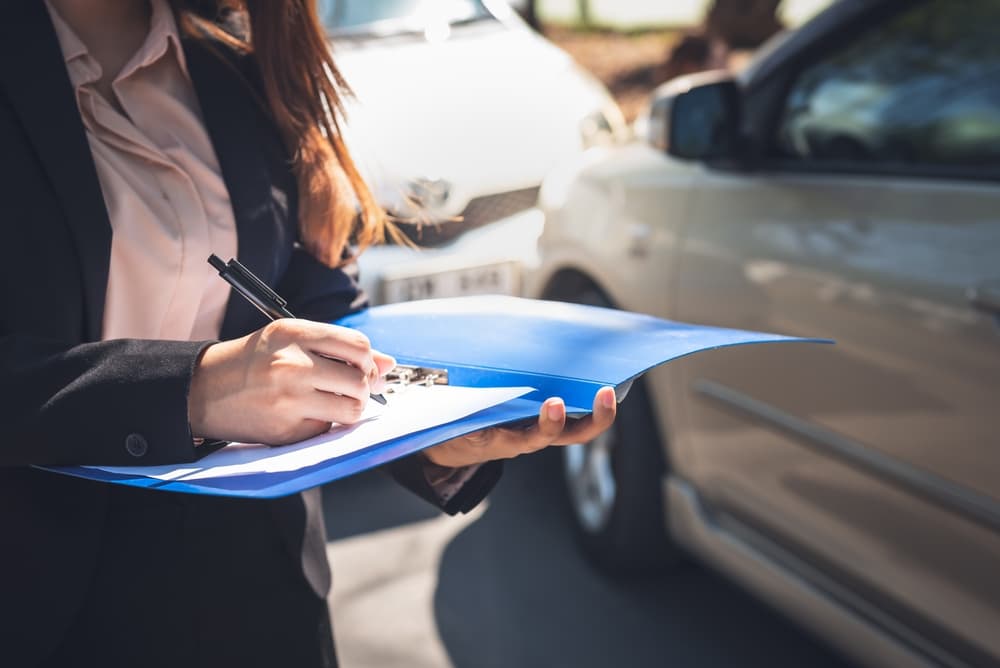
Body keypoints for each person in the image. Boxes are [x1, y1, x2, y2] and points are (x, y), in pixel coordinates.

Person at [0, 1, 617, 666]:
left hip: (263, 599)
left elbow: (309, 299)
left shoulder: (230, 60)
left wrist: (432, 429)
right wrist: (196, 388)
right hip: (46, 611)